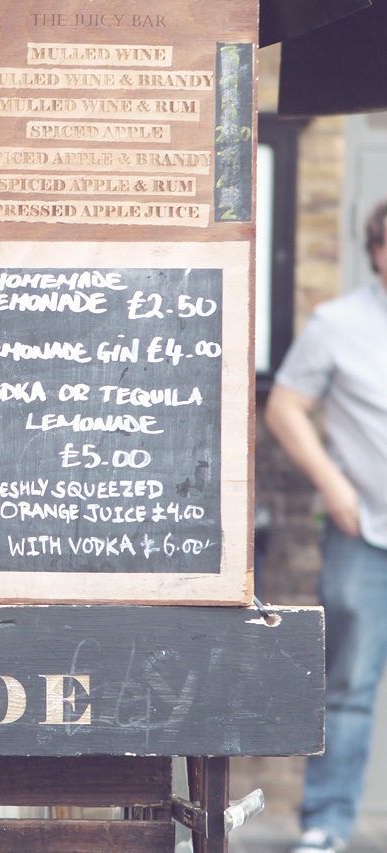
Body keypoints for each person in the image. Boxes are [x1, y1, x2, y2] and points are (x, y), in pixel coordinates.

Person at [266, 198, 387, 853]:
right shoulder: (337, 323)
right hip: (364, 534)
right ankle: (328, 824)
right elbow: (285, 406)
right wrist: (332, 482)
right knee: (346, 687)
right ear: (376, 249)